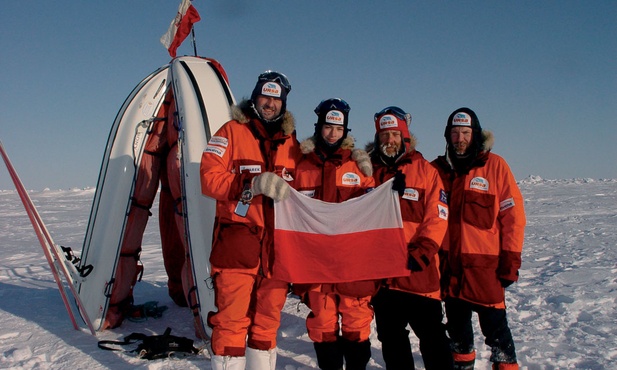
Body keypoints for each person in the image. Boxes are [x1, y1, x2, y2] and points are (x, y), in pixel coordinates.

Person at [200, 71, 301, 369]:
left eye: (276, 99)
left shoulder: (291, 143)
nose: (270, 104)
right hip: (238, 241)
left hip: (277, 246)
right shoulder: (230, 131)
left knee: (267, 320)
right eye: (265, 97)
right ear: (255, 98)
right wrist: (250, 183)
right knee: (231, 319)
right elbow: (208, 178)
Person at [432, 107, 526, 370]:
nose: (460, 138)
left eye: (465, 132)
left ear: (475, 135)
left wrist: (511, 260)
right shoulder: (438, 170)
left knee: (498, 335)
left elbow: (513, 218)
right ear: (447, 136)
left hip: (485, 270)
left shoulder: (495, 166)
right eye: (454, 133)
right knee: (458, 336)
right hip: (450, 271)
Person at [292, 98, 375, 370]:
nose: (332, 134)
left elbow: (373, 210)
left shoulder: (359, 168)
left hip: (352, 262)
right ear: (319, 127)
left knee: (356, 320)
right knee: (323, 322)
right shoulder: (301, 166)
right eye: (328, 127)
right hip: (315, 261)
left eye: (338, 129)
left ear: (346, 132)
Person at [368, 106, 453, 369]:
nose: (389, 141)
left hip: (419, 272)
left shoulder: (426, 171)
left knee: (433, 337)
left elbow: (437, 216)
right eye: (384, 136)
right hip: (384, 276)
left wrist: (423, 250)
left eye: (394, 135)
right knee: (391, 339)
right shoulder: (368, 170)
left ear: (405, 137)